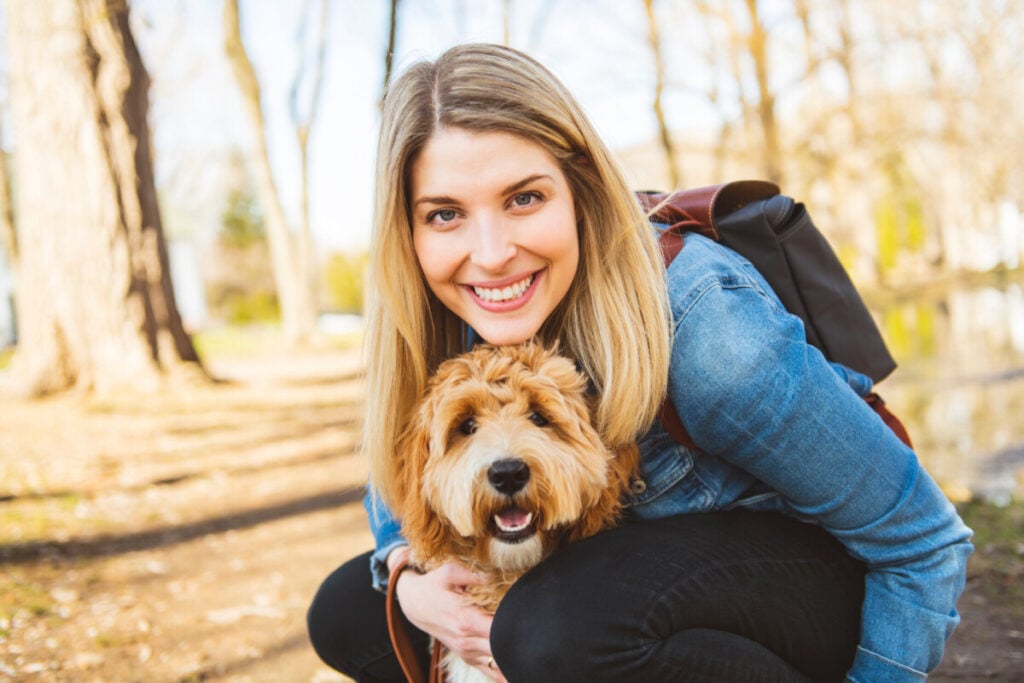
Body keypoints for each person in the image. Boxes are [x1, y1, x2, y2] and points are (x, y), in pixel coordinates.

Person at [307, 43, 972, 683]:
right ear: (409, 231)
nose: (491, 253)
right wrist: (409, 575)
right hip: (624, 581)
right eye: (445, 213)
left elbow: (923, 542)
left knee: (557, 629)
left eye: (524, 198)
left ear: (579, 188)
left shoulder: (712, 338)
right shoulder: (446, 308)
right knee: (352, 610)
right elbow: (402, 472)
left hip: (803, 587)